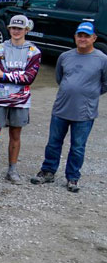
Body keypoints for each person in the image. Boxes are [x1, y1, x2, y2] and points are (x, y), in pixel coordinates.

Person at [33, 21, 107, 192]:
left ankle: (73, 177)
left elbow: (105, 84)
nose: (82, 39)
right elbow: (60, 79)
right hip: (61, 109)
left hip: (84, 113)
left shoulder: (102, 59)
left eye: (86, 36)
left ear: (94, 38)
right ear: (75, 37)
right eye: (79, 35)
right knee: (53, 143)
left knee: (78, 146)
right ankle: (48, 171)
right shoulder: (65, 57)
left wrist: (90, 94)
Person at [0, 14, 41, 184]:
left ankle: (12, 169)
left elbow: (30, 78)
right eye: (13, 28)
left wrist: (6, 75)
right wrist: (16, 75)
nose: (16, 31)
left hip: (21, 100)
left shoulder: (34, 51)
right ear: (9, 29)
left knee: (15, 134)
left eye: (20, 28)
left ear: (26, 30)